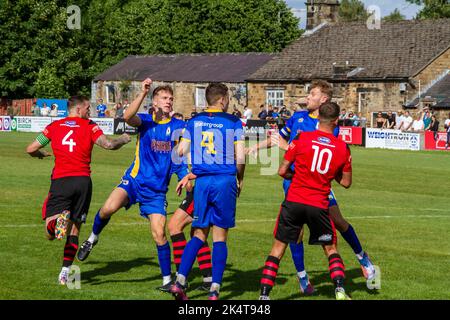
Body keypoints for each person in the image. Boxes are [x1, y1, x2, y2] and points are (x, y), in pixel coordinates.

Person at [247, 80, 375, 294]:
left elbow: (314, 154)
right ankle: (303, 278)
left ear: (323, 99)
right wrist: (257, 147)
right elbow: (281, 139)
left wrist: (286, 147)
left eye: (312, 94)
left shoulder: (328, 127)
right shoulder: (298, 118)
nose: (307, 98)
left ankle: (363, 258)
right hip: (294, 181)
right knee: (295, 234)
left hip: (318, 183)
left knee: (339, 221)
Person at [77, 79, 190, 292]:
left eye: (171, 99)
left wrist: (185, 174)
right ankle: (92, 239)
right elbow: (127, 117)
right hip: (135, 181)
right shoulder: (146, 121)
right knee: (108, 208)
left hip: (156, 191)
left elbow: (181, 153)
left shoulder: (177, 126)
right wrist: (142, 92)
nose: (169, 101)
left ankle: (167, 280)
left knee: (159, 233)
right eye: (165, 98)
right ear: (154, 102)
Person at [25, 95, 131, 284]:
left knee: (50, 233)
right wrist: (123, 139)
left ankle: (56, 222)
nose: (90, 112)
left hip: (61, 181)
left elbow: (30, 148)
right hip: (83, 182)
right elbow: (108, 144)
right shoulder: (89, 126)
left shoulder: (54, 126)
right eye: (88, 108)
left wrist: (40, 154)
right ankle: (66, 273)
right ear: (78, 109)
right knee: (74, 230)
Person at [259, 102, 352, 301]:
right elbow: (345, 183)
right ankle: (340, 290)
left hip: (294, 200)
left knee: (277, 249)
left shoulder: (302, 138)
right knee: (331, 249)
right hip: (319, 203)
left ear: (318, 118)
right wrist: (327, 173)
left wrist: (299, 174)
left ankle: (264, 297)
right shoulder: (342, 148)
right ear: (336, 121)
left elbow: (282, 171)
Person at [170, 83, 246, 300]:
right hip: (224, 181)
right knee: (220, 236)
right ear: (222, 100)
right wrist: (240, 178)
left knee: (199, 232)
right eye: (228, 98)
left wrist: (191, 170)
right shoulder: (233, 122)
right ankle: (214, 290)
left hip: (202, 183)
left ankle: (180, 282)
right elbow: (240, 158)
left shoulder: (193, 122)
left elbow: (180, 152)